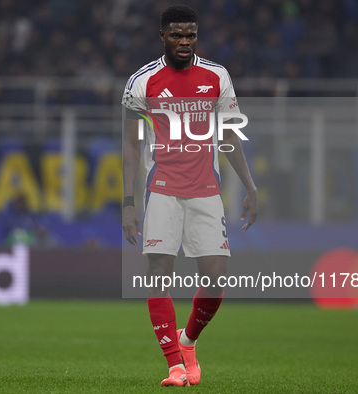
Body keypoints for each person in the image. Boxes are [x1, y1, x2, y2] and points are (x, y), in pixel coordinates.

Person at [121, 5, 258, 387]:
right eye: (177, 35)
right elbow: (131, 147)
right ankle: (174, 366)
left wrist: (251, 187)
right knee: (158, 276)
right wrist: (128, 204)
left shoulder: (216, 75)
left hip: (206, 191)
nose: (185, 41)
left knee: (215, 279)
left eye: (191, 35)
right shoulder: (141, 81)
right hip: (161, 190)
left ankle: (188, 341)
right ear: (162, 36)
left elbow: (229, 136)